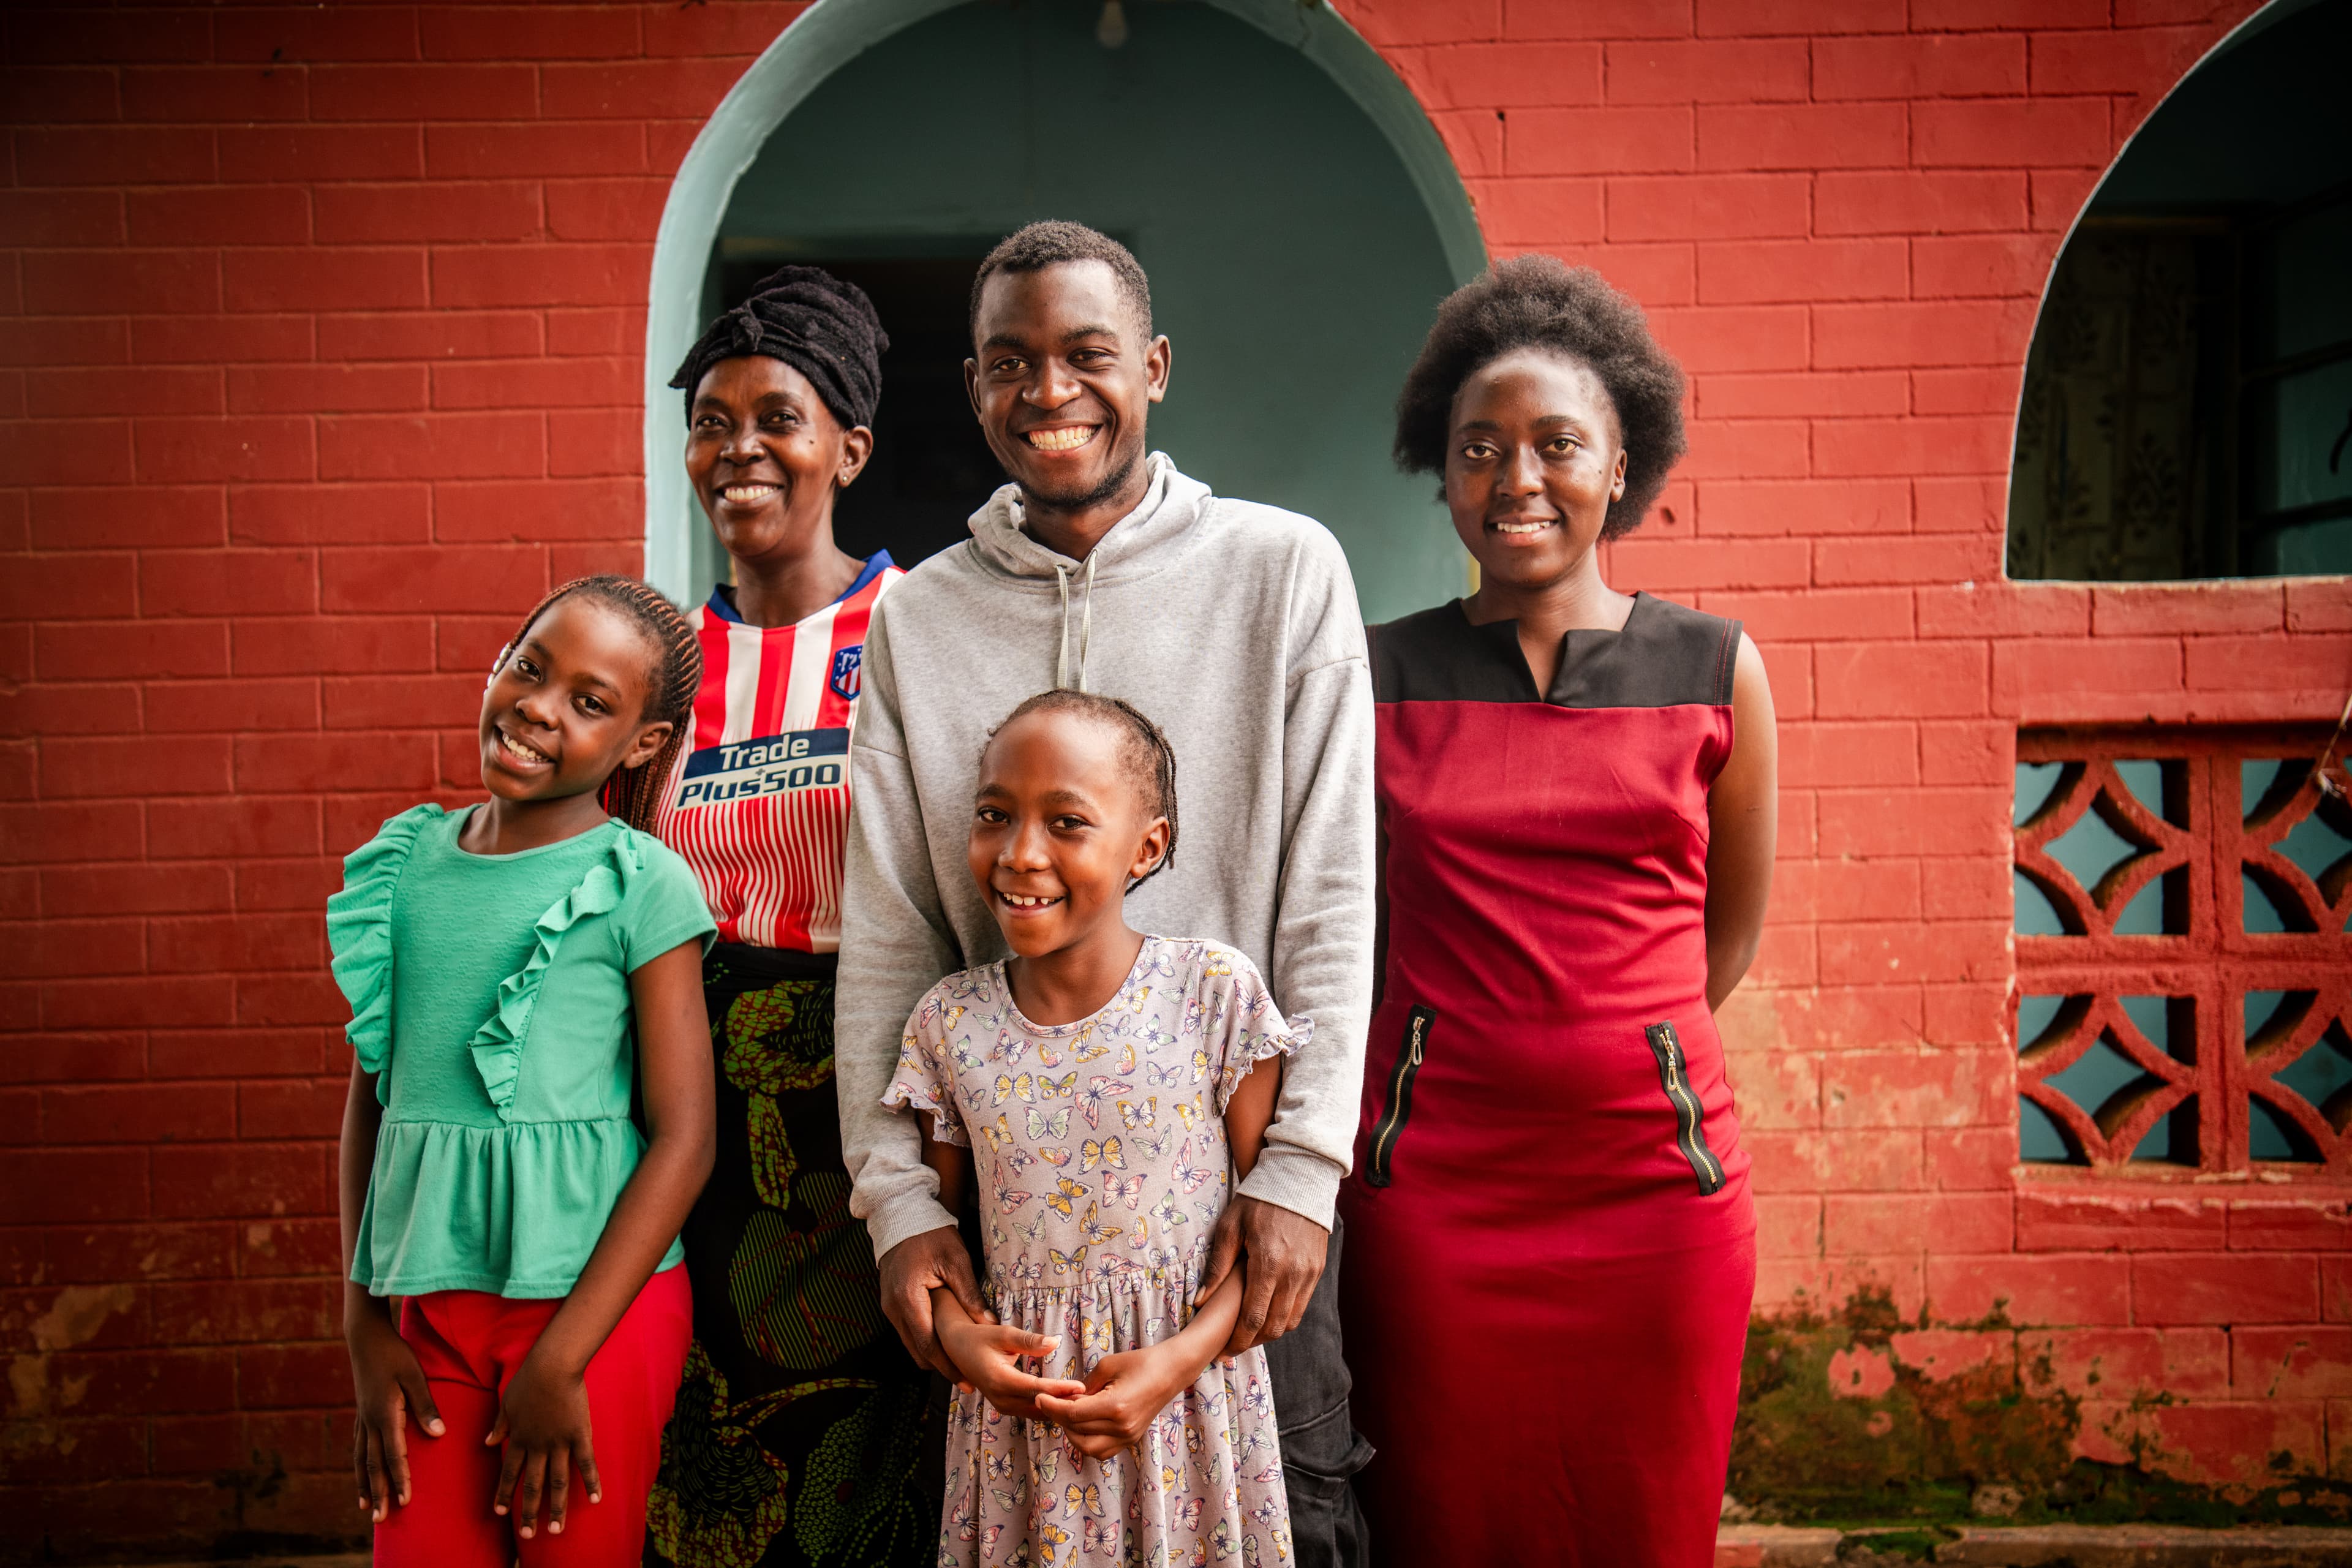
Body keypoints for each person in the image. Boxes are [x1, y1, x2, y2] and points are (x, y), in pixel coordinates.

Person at [835, 221, 1376, 1566]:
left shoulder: (1283, 569)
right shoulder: (918, 616)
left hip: (1245, 1201)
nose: (1050, 390)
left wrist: (1303, 1171)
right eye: (1010, 362)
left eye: (1087, 355)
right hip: (1015, 1237)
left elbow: (1332, 891)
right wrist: (899, 1205)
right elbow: (893, 923)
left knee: (1283, 1515)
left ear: (1156, 366)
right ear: (973, 387)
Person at [1336, 256, 1778, 1565]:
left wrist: (1624, 1047)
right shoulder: (1379, 672)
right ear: (1443, 467)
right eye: (1480, 448)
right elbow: (1347, 928)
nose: (1515, 478)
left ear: (1622, 459)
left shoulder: (1713, 667)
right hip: (1433, 1192)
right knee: (1439, 1520)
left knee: (1645, 1524)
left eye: (1554, 444)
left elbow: (1730, 928)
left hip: (1658, 1190)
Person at [638, 268, 937, 1568]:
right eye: (711, 419)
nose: (737, 448)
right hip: (686, 1098)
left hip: (868, 1079)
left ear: (850, 449)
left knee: (871, 1452)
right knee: (701, 1435)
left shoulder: (924, 625)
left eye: (778, 416)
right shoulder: (661, 662)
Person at [333, 575, 719, 1563]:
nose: (540, 709)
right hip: (427, 1309)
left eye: (591, 702)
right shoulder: (406, 863)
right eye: (531, 668)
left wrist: (562, 1358)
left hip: (597, 1316)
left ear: (640, 742)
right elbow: (376, 1102)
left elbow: (684, 1140)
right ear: (499, 663)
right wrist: (363, 1320)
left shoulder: (641, 883)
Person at [885, 690, 1297, 1566]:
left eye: (1067, 822)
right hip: (1020, 1429)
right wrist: (964, 1343)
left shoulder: (1214, 996)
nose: (1021, 853)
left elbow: (1261, 1228)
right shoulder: (948, 1025)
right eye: (995, 815)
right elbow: (946, 1246)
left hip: (1193, 1407)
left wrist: (1180, 1359)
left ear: (1147, 847)